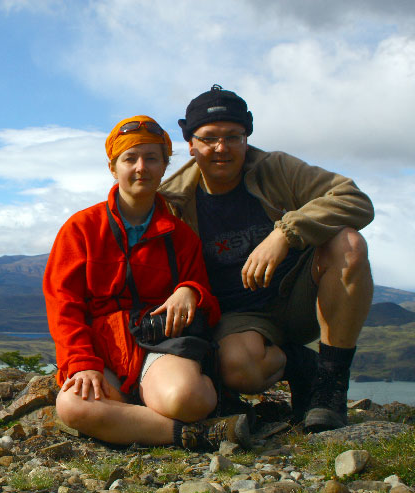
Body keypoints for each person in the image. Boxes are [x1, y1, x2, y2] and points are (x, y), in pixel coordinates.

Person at [158, 85, 374, 432]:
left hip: (301, 296)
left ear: (247, 137)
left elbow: (355, 199)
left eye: (233, 136)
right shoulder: (173, 199)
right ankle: (302, 364)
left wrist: (285, 233)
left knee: (348, 244)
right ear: (191, 144)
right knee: (241, 369)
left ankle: (330, 386)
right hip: (240, 318)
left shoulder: (276, 168)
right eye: (209, 137)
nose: (221, 148)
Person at [43, 115, 251, 451]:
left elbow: (208, 304)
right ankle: (196, 434)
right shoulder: (81, 229)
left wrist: (190, 291)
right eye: (130, 158)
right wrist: (81, 363)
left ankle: (130, 420)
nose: (142, 167)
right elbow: (63, 305)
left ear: (165, 165)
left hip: (160, 346)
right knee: (73, 405)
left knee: (188, 398)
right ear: (113, 168)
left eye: (152, 158)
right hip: (102, 352)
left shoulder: (180, 236)